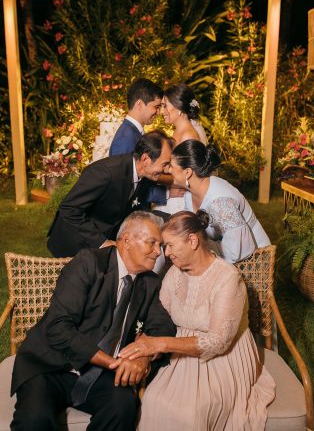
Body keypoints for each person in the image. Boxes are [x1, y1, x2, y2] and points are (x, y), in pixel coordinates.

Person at [11, 211, 176, 431]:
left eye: (161, 245)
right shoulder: (89, 263)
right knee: (34, 421)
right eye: (152, 243)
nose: (158, 252)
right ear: (126, 240)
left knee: (123, 407)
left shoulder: (150, 282)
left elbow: (162, 325)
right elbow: (58, 327)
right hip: (52, 366)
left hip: (102, 375)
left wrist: (143, 357)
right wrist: (111, 362)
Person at [118, 210, 276, 431]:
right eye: (165, 246)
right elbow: (160, 317)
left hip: (224, 357)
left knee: (191, 412)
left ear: (192, 241)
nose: (166, 252)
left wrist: (159, 343)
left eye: (170, 245)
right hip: (178, 349)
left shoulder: (227, 278)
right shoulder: (174, 274)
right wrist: (145, 347)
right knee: (153, 400)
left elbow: (218, 342)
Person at [47, 130, 173, 258]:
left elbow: (139, 213)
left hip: (102, 240)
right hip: (74, 242)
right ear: (145, 159)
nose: (167, 170)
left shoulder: (145, 176)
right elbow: (69, 208)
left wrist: (171, 220)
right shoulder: (105, 173)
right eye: (165, 164)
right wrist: (102, 242)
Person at [168, 140, 271, 262]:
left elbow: (237, 253)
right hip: (221, 259)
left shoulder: (221, 202)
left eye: (171, 166)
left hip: (251, 264)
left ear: (187, 172)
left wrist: (201, 249)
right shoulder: (190, 193)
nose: (168, 170)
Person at [109, 77, 166, 205]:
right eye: (156, 107)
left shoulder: (133, 132)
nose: (158, 112)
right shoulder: (125, 139)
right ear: (139, 104)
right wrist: (166, 193)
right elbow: (124, 187)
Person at [155, 83, 208, 214]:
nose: (162, 111)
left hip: (180, 201)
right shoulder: (179, 131)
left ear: (178, 107)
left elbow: (191, 176)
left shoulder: (189, 136)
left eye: (165, 105)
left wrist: (155, 174)